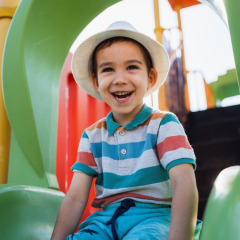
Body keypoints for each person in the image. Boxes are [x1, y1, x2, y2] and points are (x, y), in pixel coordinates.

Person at [51, 21, 202, 240]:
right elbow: (75, 197)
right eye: (108, 69)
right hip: (106, 221)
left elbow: (183, 182)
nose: (120, 79)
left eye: (131, 67)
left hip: (154, 217)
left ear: (149, 77)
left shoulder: (163, 125)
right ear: (96, 80)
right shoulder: (92, 136)